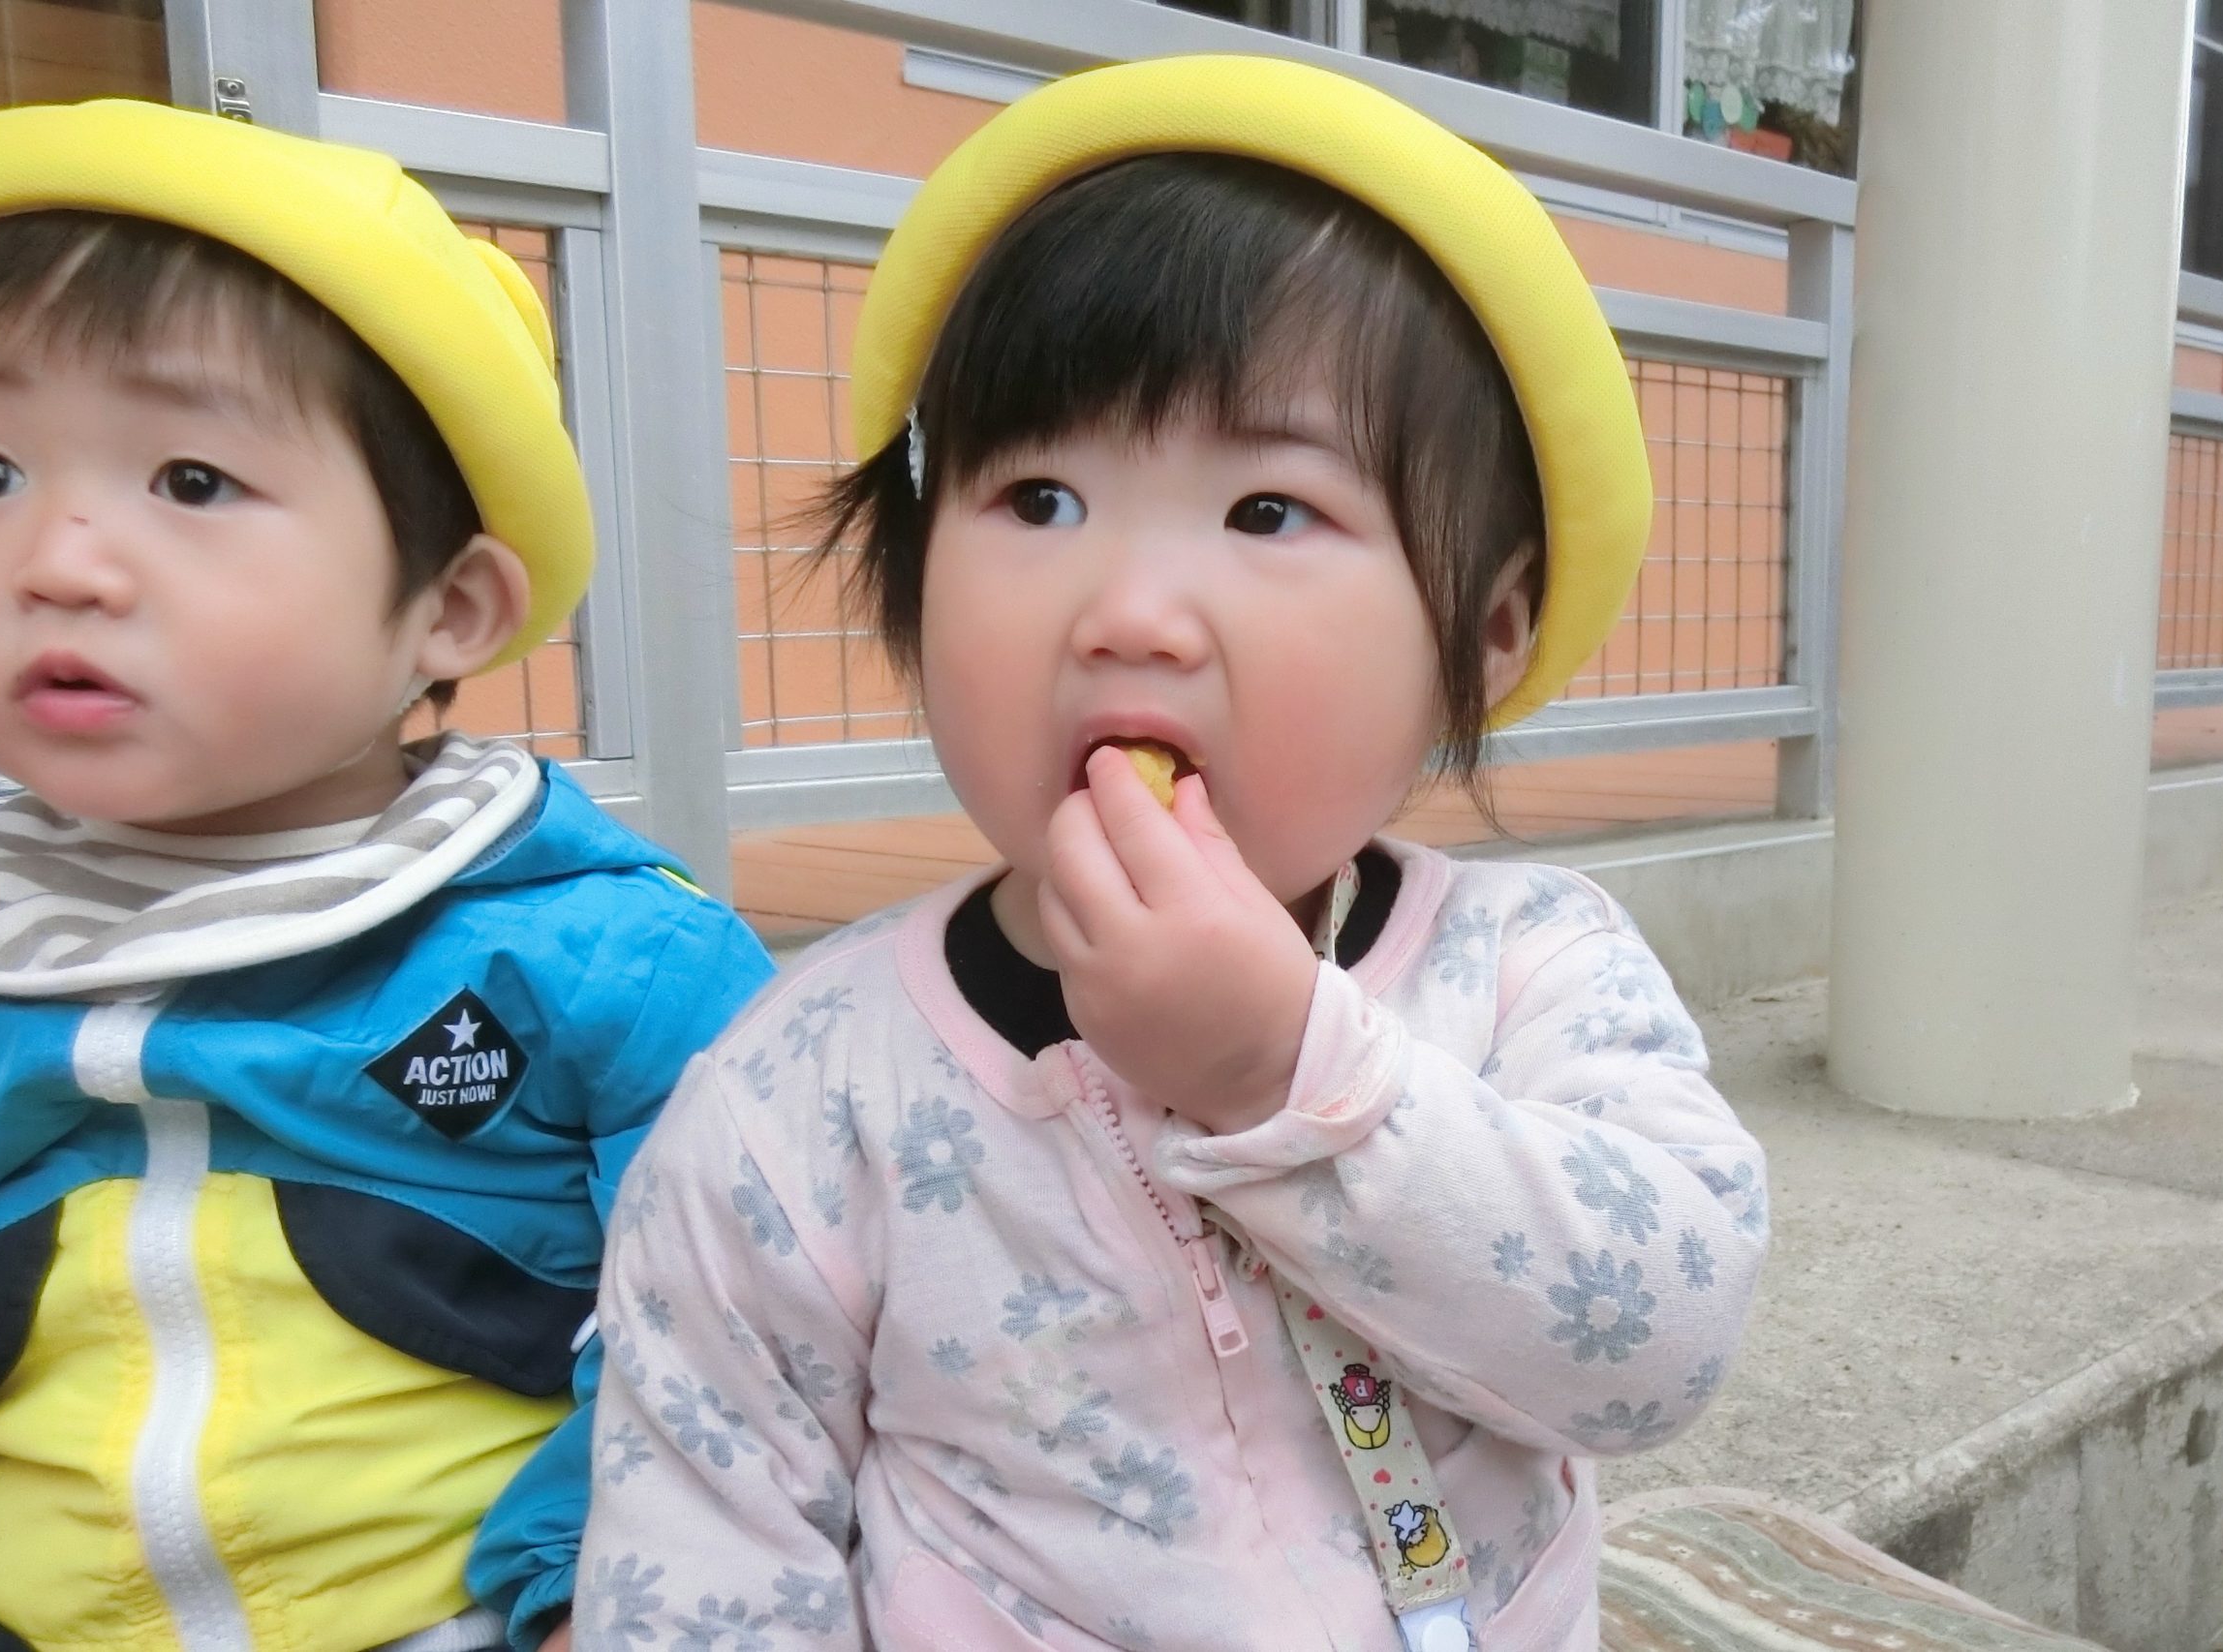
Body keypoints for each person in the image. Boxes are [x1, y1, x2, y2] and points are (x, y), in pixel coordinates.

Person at [576, 55, 1769, 1652]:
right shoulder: (803, 1097)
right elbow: (704, 1554)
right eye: (1040, 497)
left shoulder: (1531, 970)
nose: (1128, 612)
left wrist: (1287, 1073)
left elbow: (1661, 1344)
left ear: (1485, 632)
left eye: (1267, 510)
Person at [0, 101, 774, 1652]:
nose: (57, 561)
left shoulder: (607, 962)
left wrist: (585, 1588)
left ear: (448, 609)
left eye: (190, 479)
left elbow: (729, 1331)